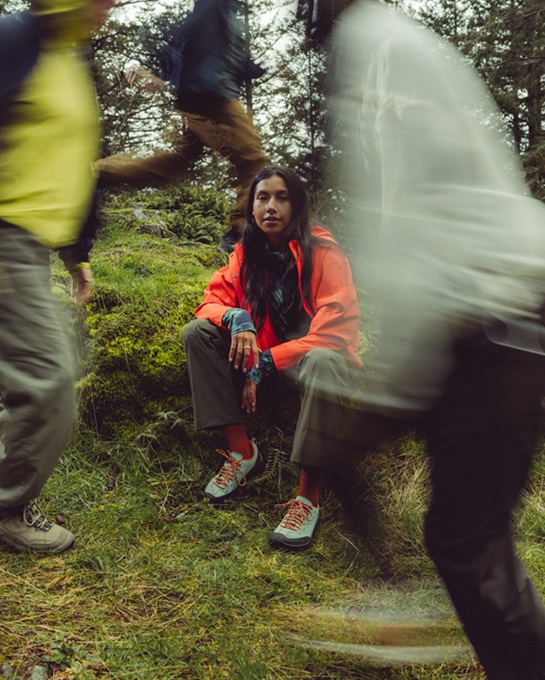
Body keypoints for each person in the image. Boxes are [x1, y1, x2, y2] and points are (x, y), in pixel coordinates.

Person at [298, 0, 545, 677]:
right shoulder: (391, 43)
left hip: (488, 316)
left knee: (468, 539)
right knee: (466, 535)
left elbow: (410, 231)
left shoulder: (374, 45)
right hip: (484, 315)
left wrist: (389, 398)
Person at [182, 166, 361, 551]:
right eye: (262, 197)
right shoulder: (245, 253)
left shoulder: (324, 251)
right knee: (197, 333)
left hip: (312, 367)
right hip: (268, 368)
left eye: (282, 197)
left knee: (324, 360)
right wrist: (237, 317)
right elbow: (211, 302)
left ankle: (308, 497)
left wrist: (266, 362)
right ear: (252, 207)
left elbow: (334, 330)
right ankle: (242, 451)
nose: (271, 206)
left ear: (298, 206)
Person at [0, 0, 115, 553]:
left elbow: (72, 163)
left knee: (32, 378)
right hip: (6, 242)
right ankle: (6, 510)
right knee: (48, 381)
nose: (110, 5)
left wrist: (76, 254)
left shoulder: (70, 58)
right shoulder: (16, 40)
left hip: (31, 246)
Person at [95, 0, 269, 251]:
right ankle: (241, 234)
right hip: (212, 97)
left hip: (203, 94)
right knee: (253, 162)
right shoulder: (214, 4)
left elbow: (228, 53)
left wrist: (255, 69)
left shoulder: (227, 8)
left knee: (174, 159)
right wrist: (152, 67)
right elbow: (186, 32)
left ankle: (94, 174)